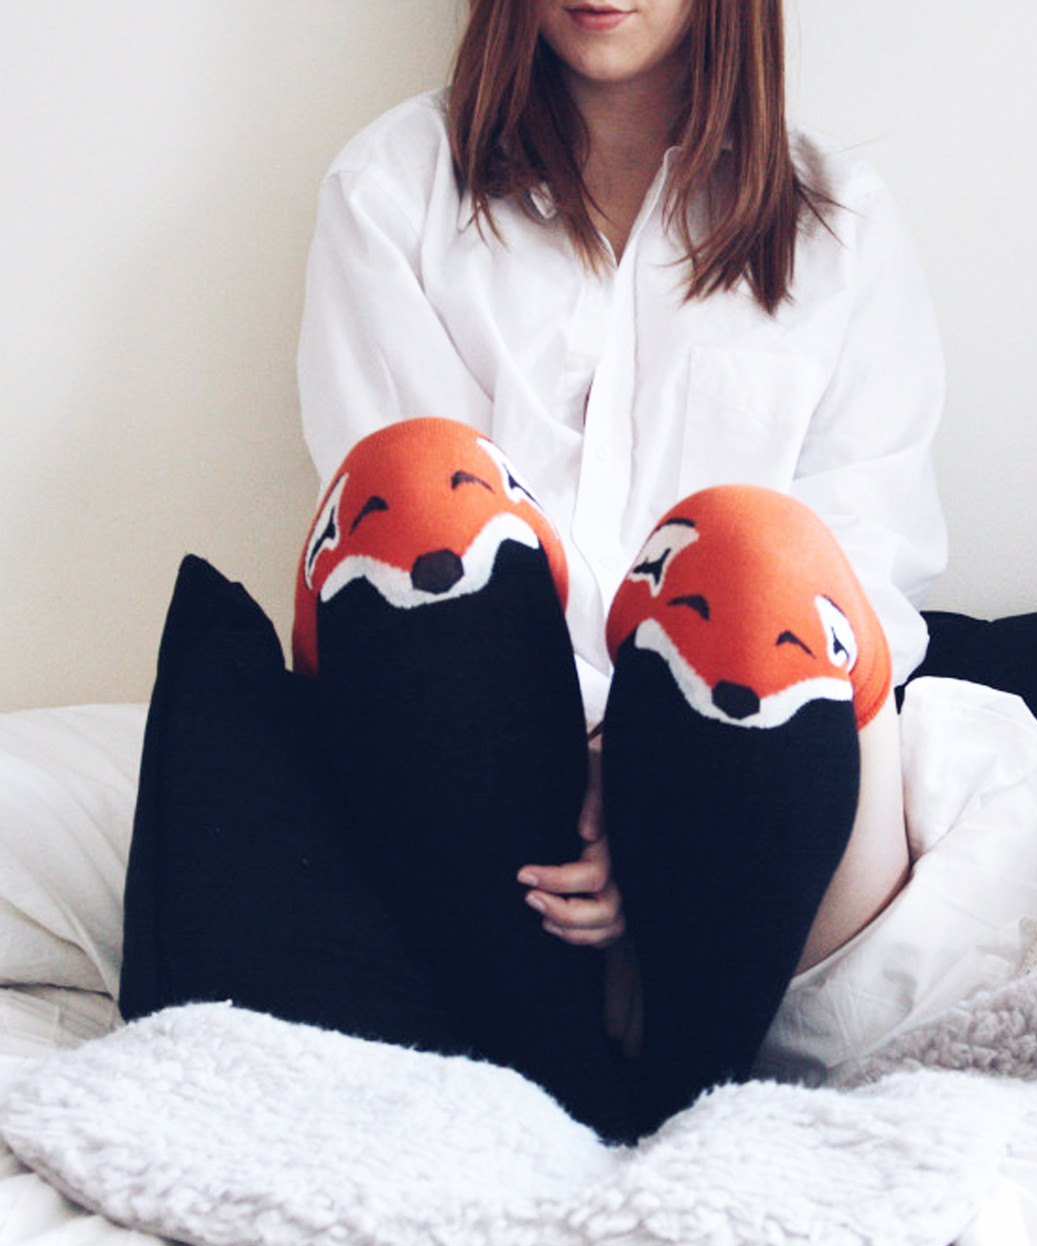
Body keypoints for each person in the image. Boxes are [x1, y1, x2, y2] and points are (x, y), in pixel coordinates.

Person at [126, 0, 946, 1146]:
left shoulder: (839, 225)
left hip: (747, 782)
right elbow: (419, 578)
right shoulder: (392, 189)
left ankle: (681, 1102)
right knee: (417, 489)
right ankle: (577, 1106)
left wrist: (644, 764)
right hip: (490, 782)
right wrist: (581, 773)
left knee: (758, 565)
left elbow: (869, 571)